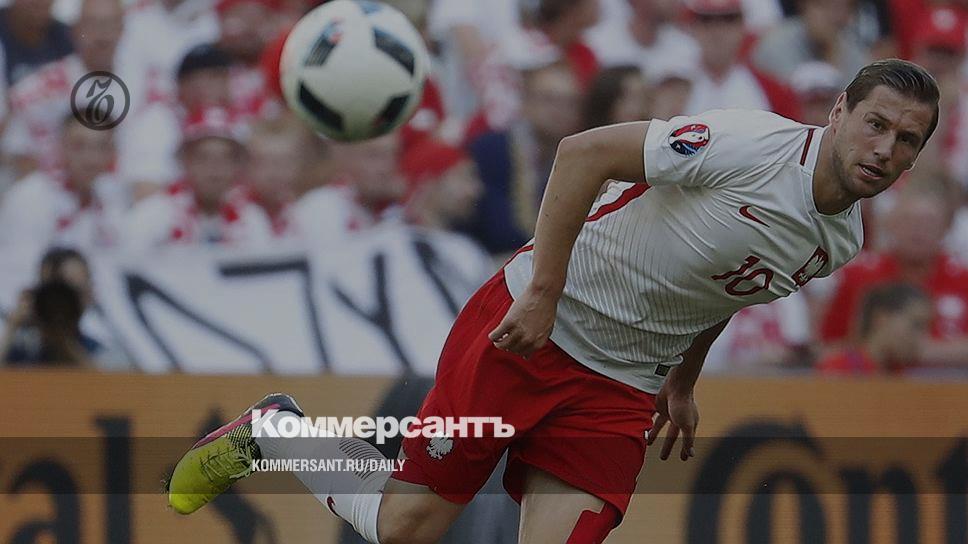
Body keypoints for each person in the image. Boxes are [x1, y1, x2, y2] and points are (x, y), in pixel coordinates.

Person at [167, 59, 939, 543]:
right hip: (532, 333)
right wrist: (542, 291)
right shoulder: (749, 144)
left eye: (907, 141)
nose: (885, 150)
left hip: (619, 389)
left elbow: (728, 285)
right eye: (876, 124)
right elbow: (582, 153)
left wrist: (683, 380)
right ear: (838, 113)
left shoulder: (841, 240)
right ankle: (276, 432)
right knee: (404, 529)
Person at [817, 282, 932, 375]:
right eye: (916, 325)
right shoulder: (838, 369)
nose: (923, 337)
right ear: (882, 318)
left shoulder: (901, 373)